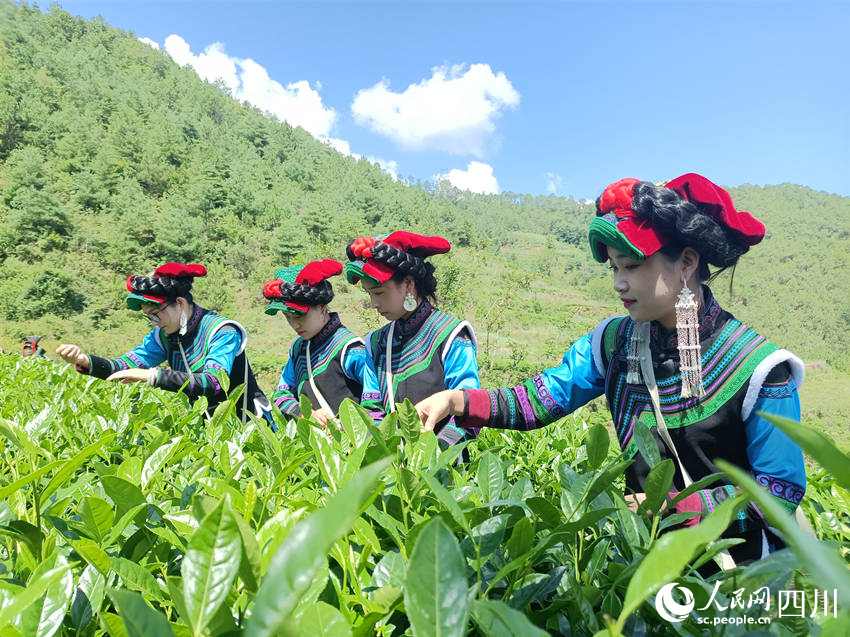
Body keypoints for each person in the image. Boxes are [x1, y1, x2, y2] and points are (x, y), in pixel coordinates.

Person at [415, 174, 805, 565]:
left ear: (687, 262)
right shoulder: (613, 343)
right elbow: (542, 399)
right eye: (614, 268)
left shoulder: (760, 368)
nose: (619, 283)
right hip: (649, 562)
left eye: (632, 266)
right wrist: (458, 400)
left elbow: (780, 492)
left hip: (744, 576)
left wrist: (676, 507)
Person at [56, 262, 272, 424]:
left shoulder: (222, 331)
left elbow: (213, 382)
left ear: (179, 303)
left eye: (156, 314)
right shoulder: (164, 336)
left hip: (249, 424)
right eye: (148, 316)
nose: (154, 322)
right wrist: (85, 360)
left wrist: (152, 376)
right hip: (209, 429)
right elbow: (124, 366)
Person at [345, 231, 481, 448]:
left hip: (444, 469)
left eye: (379, 293)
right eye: (369, 294)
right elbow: (372, 408)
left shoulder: (451, 334)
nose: (373, 303)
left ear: (408, 284)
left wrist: (434, 456)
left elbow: (470, 409)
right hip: (393, 470)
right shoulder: (375, 343)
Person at [263, 259, 369, 428]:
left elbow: (377, 396)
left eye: (299, 316)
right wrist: (303, 413)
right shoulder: (298, 348)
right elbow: (282, 394)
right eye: (287, 317)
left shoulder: (349, 349)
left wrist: (346, 427)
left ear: (321, 307)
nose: (294, 325)